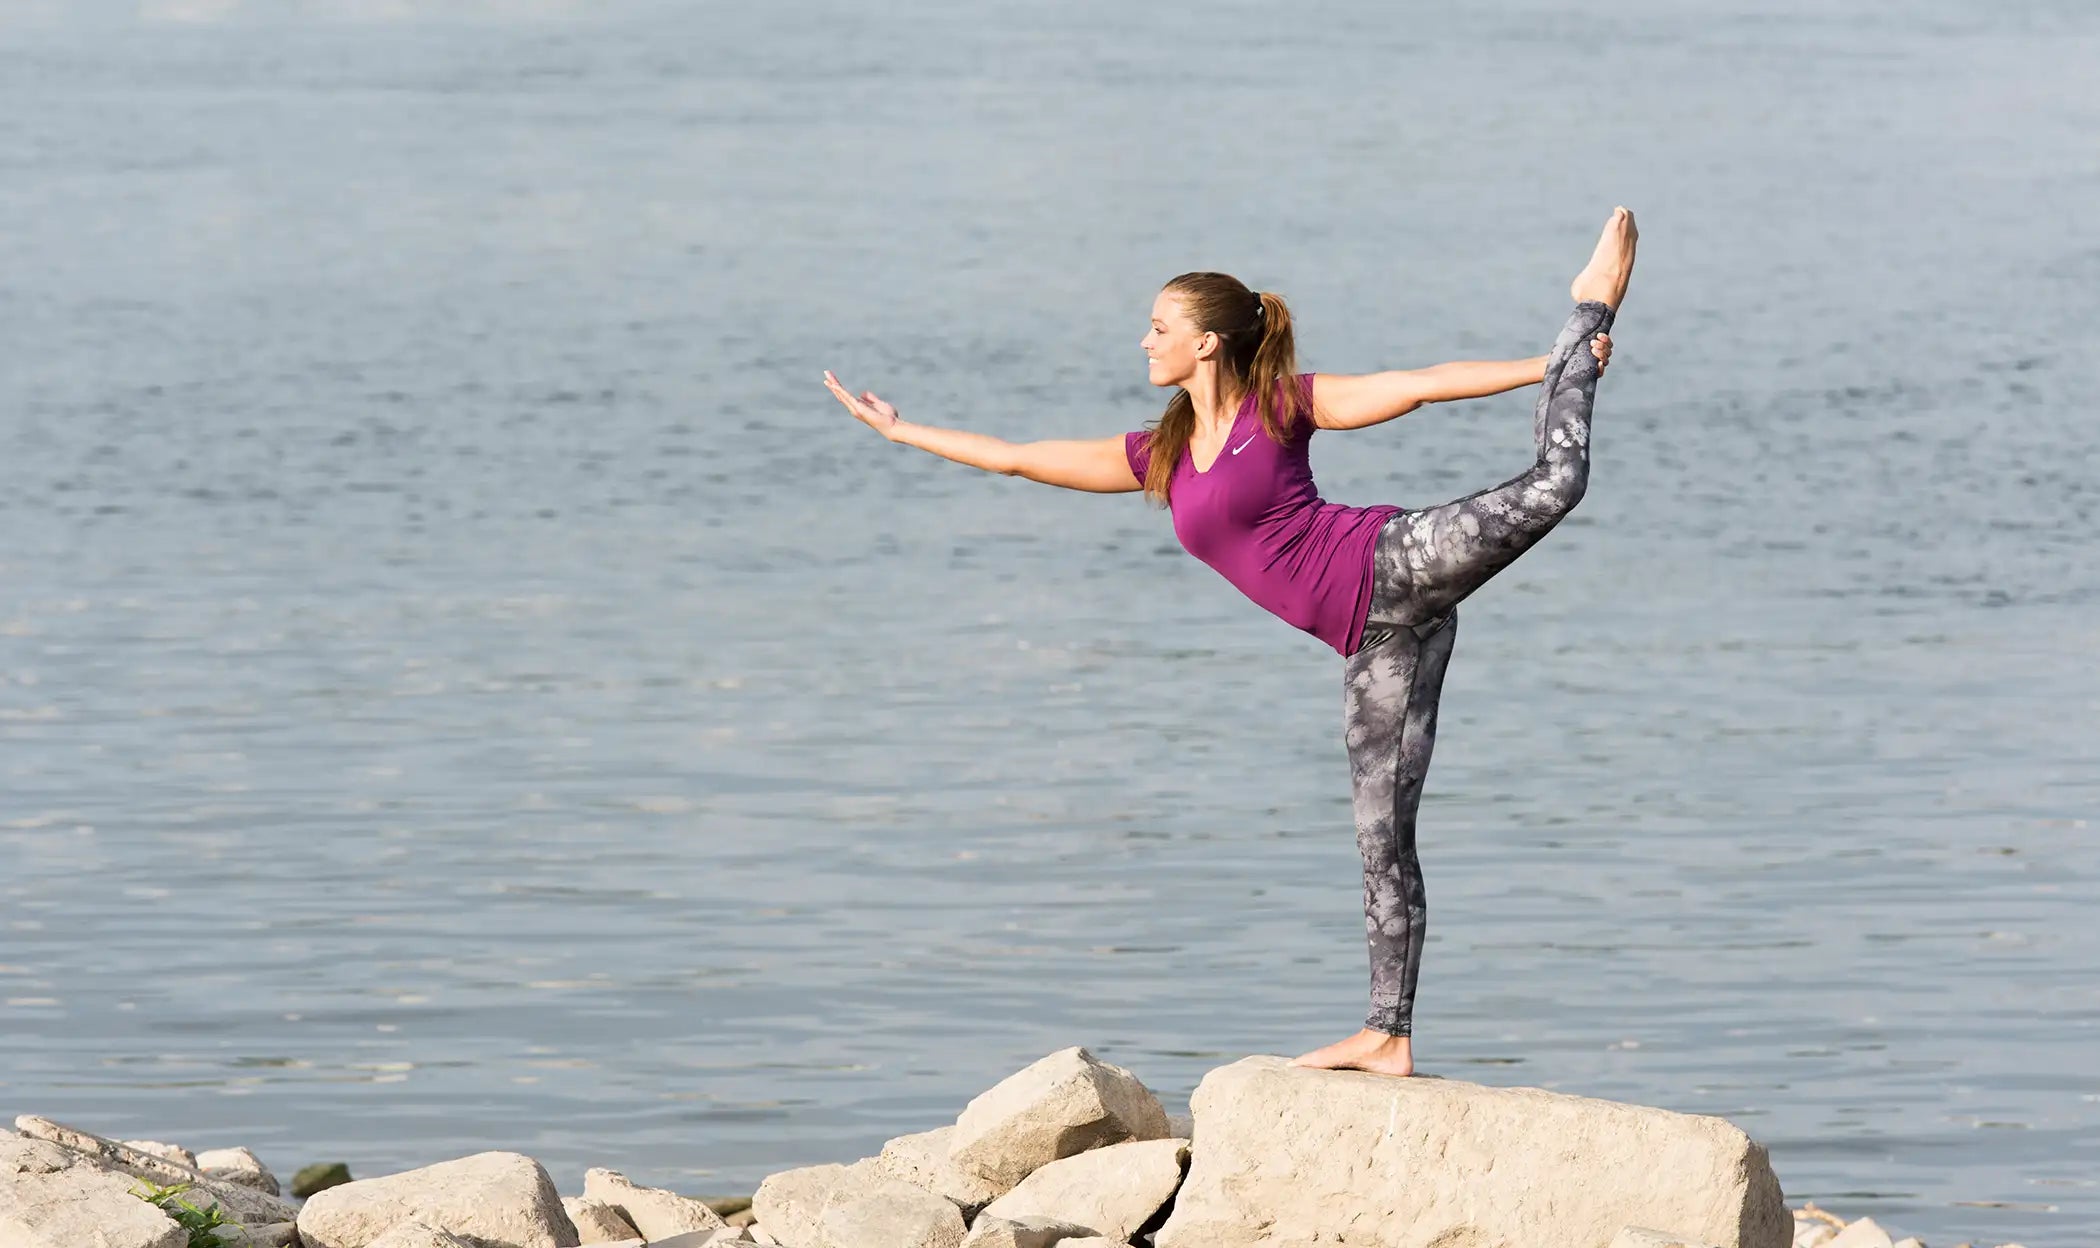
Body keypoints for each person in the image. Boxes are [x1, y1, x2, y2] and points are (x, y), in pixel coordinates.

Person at [822, 207, 1638, 1077]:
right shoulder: (1161, 454)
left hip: (1395, 561)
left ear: (1207, 344)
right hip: (1372, 641)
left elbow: (1417, 383)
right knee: (1381, 838)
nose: (1145, 341)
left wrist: (1550, 363)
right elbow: (1022, 457)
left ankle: (1588, 307)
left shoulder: (1280, 406)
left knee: (1557, 483)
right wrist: (905, 431)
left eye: (1160, 327)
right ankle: (1388, 1036)